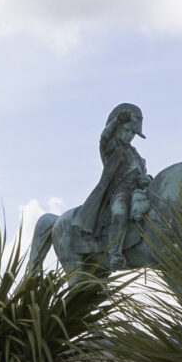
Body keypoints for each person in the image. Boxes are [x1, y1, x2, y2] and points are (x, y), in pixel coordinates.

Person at [72, 103, 151, 270]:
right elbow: (103, 140)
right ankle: (115, 253)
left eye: (133, 133)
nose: (129, 135)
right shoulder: (112, 147)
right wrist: (115, 121)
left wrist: (146, 179)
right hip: (118, 192)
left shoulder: (137, 155)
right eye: (127, 130)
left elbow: (140, 174)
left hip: (136, 192)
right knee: (119, 211)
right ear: (119, 128)